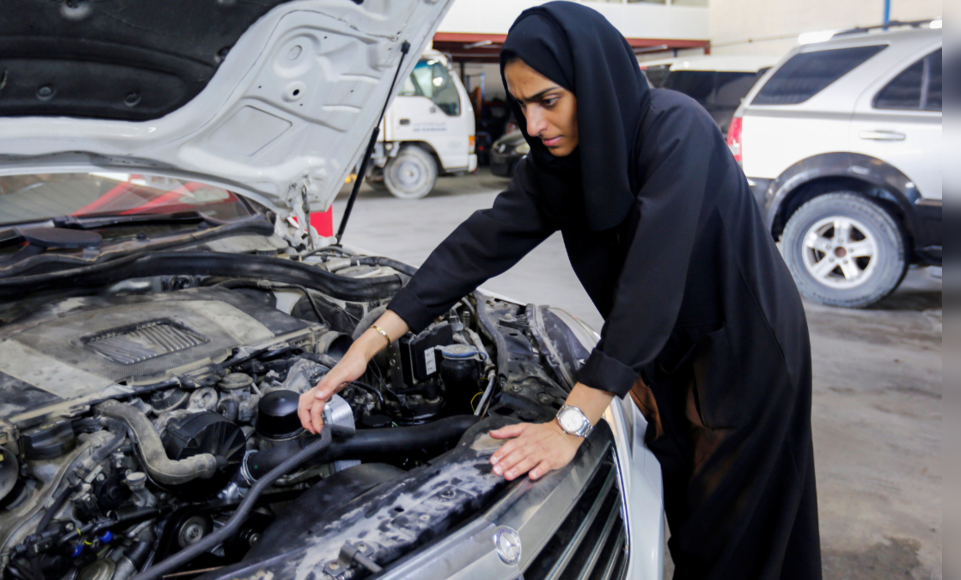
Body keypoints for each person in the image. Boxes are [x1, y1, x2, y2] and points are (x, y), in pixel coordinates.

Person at [297, 2, 821, 578]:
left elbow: (651, 287)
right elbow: (475, 247)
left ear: (592, 85)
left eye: (548, 100)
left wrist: (571, 425)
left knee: (743, 538)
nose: (535, 125)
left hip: (744, 353)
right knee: (693, 525)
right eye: (522, 105)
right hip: (665, 358)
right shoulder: (558, 167)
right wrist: (369, 343)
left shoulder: (676, 131)